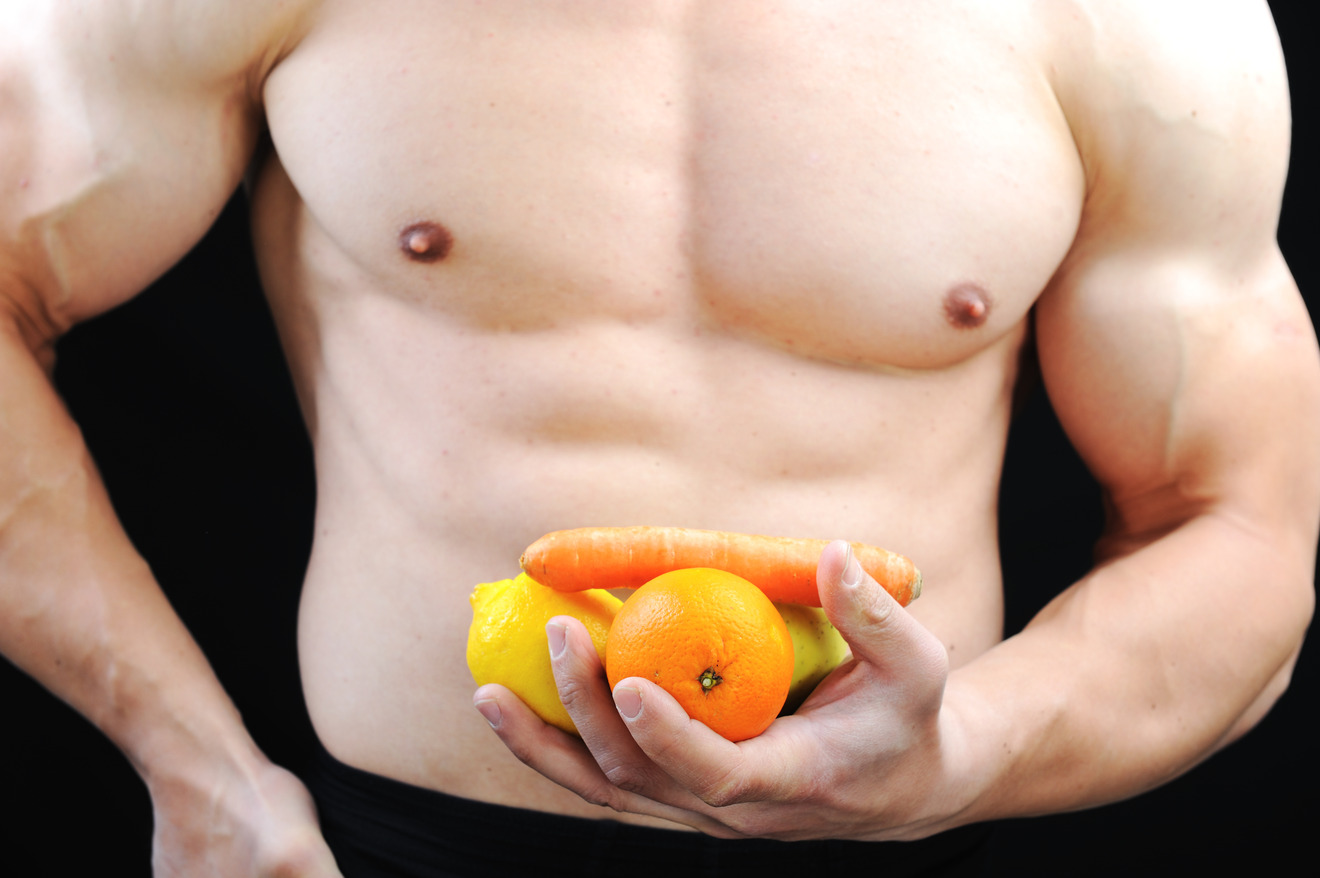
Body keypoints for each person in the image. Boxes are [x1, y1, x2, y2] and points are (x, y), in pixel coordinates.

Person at [1, 1, 1316, 875]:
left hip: (909, 841)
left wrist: (965, 748)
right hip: (385, 847)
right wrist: (200, 771)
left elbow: (1245, 520)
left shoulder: (1138, 24)